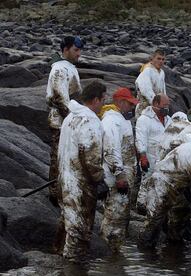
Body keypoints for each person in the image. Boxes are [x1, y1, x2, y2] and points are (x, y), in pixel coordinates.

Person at [137, 125, 191, 248]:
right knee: (154, 221)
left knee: (177, 217)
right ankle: (145, 251)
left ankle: (170, 250)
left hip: (174, 187)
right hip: (162, 185)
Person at [57, 81, 106, 263]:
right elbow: (91, 155)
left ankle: (62, 261)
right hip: (81, 184)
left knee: (68, 224)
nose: (103, 104)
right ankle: (72, 268)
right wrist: (99, 180)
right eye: (103, 99)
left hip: (65, 179)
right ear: (95, 99)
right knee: (79, 232)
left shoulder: (70, 117)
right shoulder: (90, 120)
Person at [46, 36, 84, 207]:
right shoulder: (59, 69)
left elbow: (76, 96)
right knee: (58, 156)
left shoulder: (70, 68)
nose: (79, 53)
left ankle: (66, 189)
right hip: (60, 122)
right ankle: (55, 192)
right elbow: (60, 98)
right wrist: (74, 120)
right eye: (76, 50)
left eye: (79, 50)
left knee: (69, 157)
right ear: (66, 49)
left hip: (69, 121)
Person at [100, 87, 138, 253]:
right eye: (130, 104)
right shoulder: (111, 121)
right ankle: (108, 254)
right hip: (117, 180)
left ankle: (114, 254)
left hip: (124, 178)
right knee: (114, 217)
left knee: (120, 217)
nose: (132, 108)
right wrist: (120, 176)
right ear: (121, 102)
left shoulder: (122, 119)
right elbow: (111, 150)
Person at [135, 94, 172, 177]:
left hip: (165, 161)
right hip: (150, 162)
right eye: (164, 105)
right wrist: (143, 157)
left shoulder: (169, 120)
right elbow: (141, 138)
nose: (166, 108)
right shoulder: (144, 119)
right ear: (156, 104)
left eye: (168, 105)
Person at [135, 49, 167, 117]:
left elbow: (163, 91)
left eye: (163, 59)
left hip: (157, 107)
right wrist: (157, 104)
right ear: (152, 59)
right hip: (144, 109)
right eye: (158, 58)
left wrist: (165, 104)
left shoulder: (162, 73)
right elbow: (145, 90)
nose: (161, 61)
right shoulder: (147, 70)